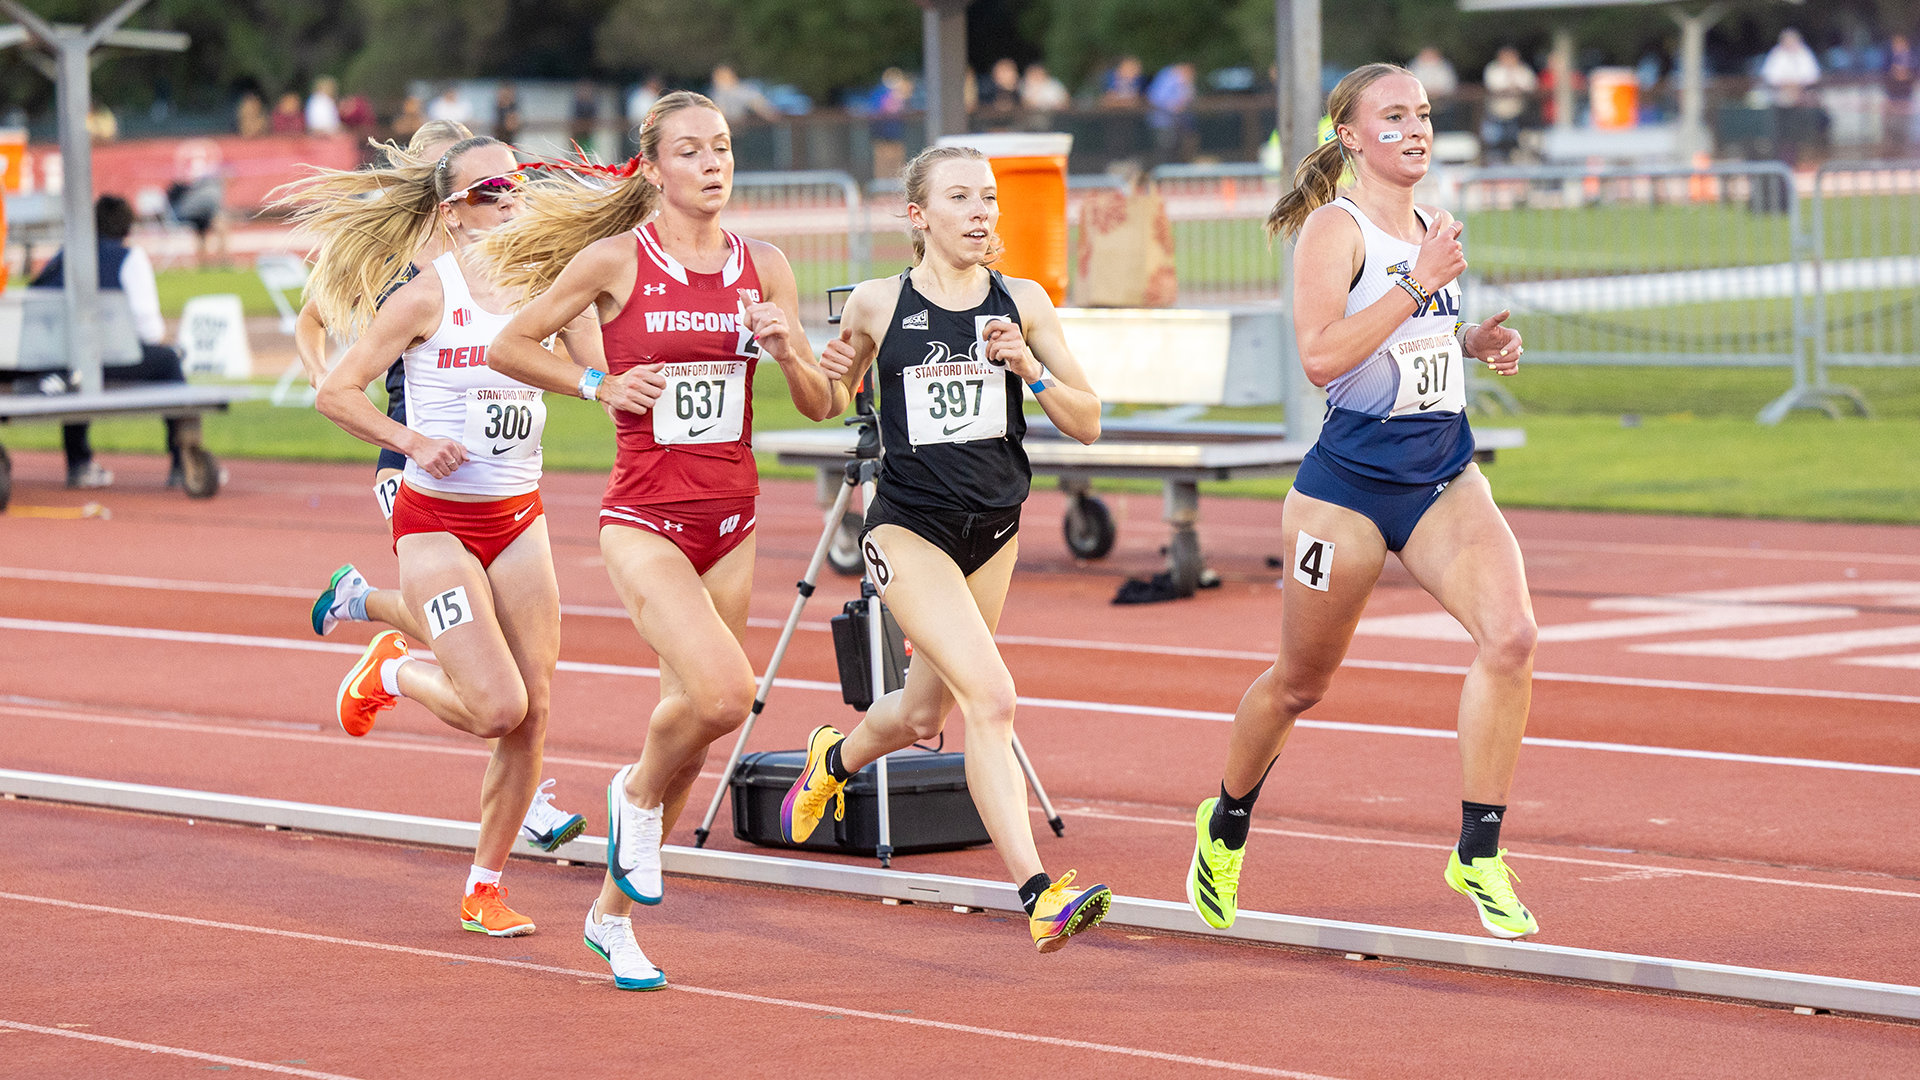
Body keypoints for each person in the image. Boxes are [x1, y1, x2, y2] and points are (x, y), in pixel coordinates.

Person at [482, 90, 837, 990]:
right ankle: (631, 797)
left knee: (696, 727)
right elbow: (510, 345)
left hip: (734, 517)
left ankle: (612, 917)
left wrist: (791, 348)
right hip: (644, 516)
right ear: (653, 168)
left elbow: (821, 403)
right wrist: (596, 384)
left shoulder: (766, 265)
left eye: (721, 147)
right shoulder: (614, 260)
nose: (713, 163)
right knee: (725, 695)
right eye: (691, 151)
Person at [1186, 63, 1535, 941]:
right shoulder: (1332, 233)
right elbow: (1323, 357)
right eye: (1394, 116)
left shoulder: (1432, 228)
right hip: (1345, 495)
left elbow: (1416, 338)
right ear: (1350, 135)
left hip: (1444, 475)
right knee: (1301, 684)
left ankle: (1478, 851)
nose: (1416, 129)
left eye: (1424, 113)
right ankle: (1224, 823)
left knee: (1513, 637)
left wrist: (1469, 338)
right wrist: (1418, 284)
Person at [780, 145, 1113, 954]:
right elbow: (827, 402)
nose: (981, 213)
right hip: (908, 530)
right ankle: (1037, 894)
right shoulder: (875, 304)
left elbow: (1090, 420)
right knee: (990, 699)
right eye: (960, 198)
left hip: (993, 531)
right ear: (918, 215)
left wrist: (1030, 369)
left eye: (989, 199)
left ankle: (835, 757)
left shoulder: (1023, 303)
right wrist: (807, 361)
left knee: (923, 711)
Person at [292, 134, 604, 937]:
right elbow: (337, 392)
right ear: (453, 213)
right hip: (435, 521)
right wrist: (411, 441)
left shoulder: (548, 283)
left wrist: (609, 363)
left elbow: (593, 371)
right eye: (490, 190)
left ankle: (484, 887)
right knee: (497, 707)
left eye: (517, 185)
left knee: (533, 714)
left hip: (519, 517)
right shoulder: (427, 294)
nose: (509, 200)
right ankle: (395, 671)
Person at [31, 195, 200, 490]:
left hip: (52, 363)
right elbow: (149, 329)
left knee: (78, 369)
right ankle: (182, 463)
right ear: (127, 227)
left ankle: (79, 463)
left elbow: (36, 296)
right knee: (169, 363)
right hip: (109, 362)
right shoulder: (129, 258)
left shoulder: (64, 256)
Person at [1481, 47, 1537, 164]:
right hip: (1497, 113)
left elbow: (1531, 85)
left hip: (1520, 112)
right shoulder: (1493, 70)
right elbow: (1492, 86)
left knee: (1520, 141)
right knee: (1497, 141)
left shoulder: (1523, 70)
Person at [1761, 29, 1821, 108]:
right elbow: (1768, 76)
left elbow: (1814, 75)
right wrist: (1785, 83)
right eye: (1787, 41)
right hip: (1780, 91)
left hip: (1802, 90)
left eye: (1792, 41)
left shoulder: (1805, 53)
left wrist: (1797, 83)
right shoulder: (1776, 53)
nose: (1790, 44)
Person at [707, 65, 779, 123]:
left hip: (747, 129)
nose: (717, 80)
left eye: (722, 76)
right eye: (716, 77)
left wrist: (775, 119)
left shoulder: (743, 91)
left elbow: (761, 108)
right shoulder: (715, 94)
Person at [1886, 35, 1915, 154]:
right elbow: (1885, 72)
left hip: (1906, 95)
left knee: (1905, 124)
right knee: (1891, 124)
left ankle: (1903, 150)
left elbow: (1913, 72)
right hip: (1892, 95)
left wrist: (1905, 74)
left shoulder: (1912, 57)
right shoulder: (1888, 57)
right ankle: (1892, 150)